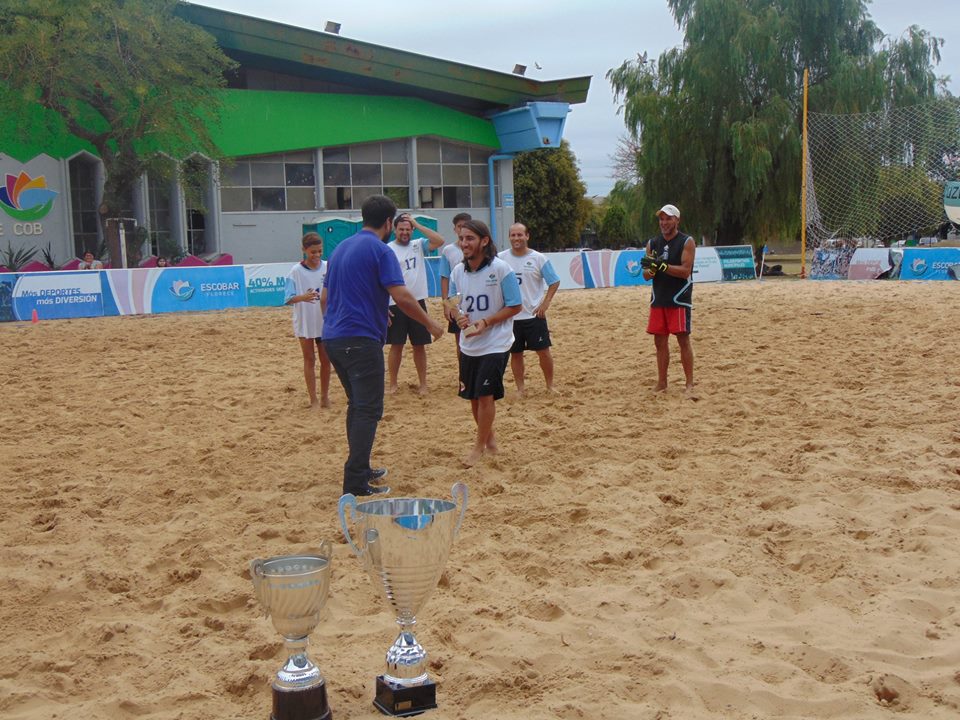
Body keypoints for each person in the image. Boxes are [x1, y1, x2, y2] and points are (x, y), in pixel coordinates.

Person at [321, 195, 444, 497]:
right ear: (389, 223)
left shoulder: (339, 249)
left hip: (333, 338)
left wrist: (357, 316)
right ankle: (355, 482)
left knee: (357, 406)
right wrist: (431, 324)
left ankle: (361, 468)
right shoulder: (381, 250)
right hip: (360, 341)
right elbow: (402, 296)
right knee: (368, 410)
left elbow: (326, 299)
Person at [448, 220, 521, 467]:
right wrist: (459, 315)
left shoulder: (501, 269)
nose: (464, 243)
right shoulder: (458, 271)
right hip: (469, 343)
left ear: (484, 241)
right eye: (461, 238)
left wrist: (487, 322)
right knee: (473, 397)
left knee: (485, 395)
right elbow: (455, 302)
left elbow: (515, 305)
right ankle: (489, 440)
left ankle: (478, 448)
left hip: (496, 342)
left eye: (470, 238)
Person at [386, 213, 445, 395]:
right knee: (396, 345)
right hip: (395, 303)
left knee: (419, 345)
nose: (404, 232)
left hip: (417, 301)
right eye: (401, 229)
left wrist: (416, 224)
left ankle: (423, 384)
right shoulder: (387, 250)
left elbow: (439, 240)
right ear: (395, 230)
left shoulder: (418, 245)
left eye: (407, 229)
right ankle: (393, 384)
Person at [498, 223, 561, 395]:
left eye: (520, 235)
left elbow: (554, 281)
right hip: (511, 316)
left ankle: (550, 386)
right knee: (516, 354)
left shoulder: (539, 258)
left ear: (527, 236)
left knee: (543, 352)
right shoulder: (500, 259)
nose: (516, 238)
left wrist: (545, 302)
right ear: (509, 237)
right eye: (513, 235)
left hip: (534, 315)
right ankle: (521, 389)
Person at [641, 204, 696, 395]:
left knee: (683, 340)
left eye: (668, 219)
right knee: (660, 342)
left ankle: (689, 384)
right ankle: (662, 382)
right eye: (661, 219)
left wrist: (662, 266)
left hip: (679, 298)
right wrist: (653, 268)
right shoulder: (652, 243)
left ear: (677, 220)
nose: (664, 222)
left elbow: (685, 271)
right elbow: (646, 275)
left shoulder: (686, 241)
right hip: (658, 298)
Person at [284, 232, 331, 409]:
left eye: (320, 251)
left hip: (324, 321)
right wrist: (303, 297)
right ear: (304, 250)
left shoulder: (328, 267)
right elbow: (287, 298)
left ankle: (325, 396)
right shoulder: (295, 271)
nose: (317, 255)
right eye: (313, 252)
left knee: (326, 360)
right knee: (309, 359)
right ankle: (313, 399)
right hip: (305, 321)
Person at [439, 213, 472, 367]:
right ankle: (463, 372)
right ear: (455, 229)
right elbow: (445, 278)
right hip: (457, 301)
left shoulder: (480, 247)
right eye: (459, 226)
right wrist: (447, 304)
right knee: (460, 340)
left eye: (465, 226)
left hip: (475, 298)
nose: (462, 230)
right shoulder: (448, 251)